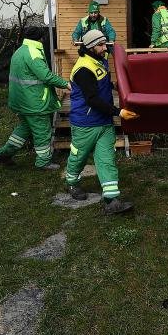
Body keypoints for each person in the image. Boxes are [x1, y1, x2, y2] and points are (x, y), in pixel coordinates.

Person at [64, 29, 139, 214]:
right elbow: (92, 100)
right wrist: (119, 112)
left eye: (105, 44)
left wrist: (116, 85)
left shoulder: (100, 60)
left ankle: (111, 200)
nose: (105, 48)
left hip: (104, 122)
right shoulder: (83, 69)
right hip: (86, 123)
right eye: (100, 45)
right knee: (78, 156)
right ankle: (72, 183)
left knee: (107, 159)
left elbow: (104, 83)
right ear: (89, 47)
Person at [0, 27, 70, 170]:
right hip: (34, 103)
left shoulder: (20, 51)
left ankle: (4, 154)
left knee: (24, 129)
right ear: (41, 39)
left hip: (21, 101)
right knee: (42, 132)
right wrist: (66, 84)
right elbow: (46, 76)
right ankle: (43, 162)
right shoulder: (34, 53)